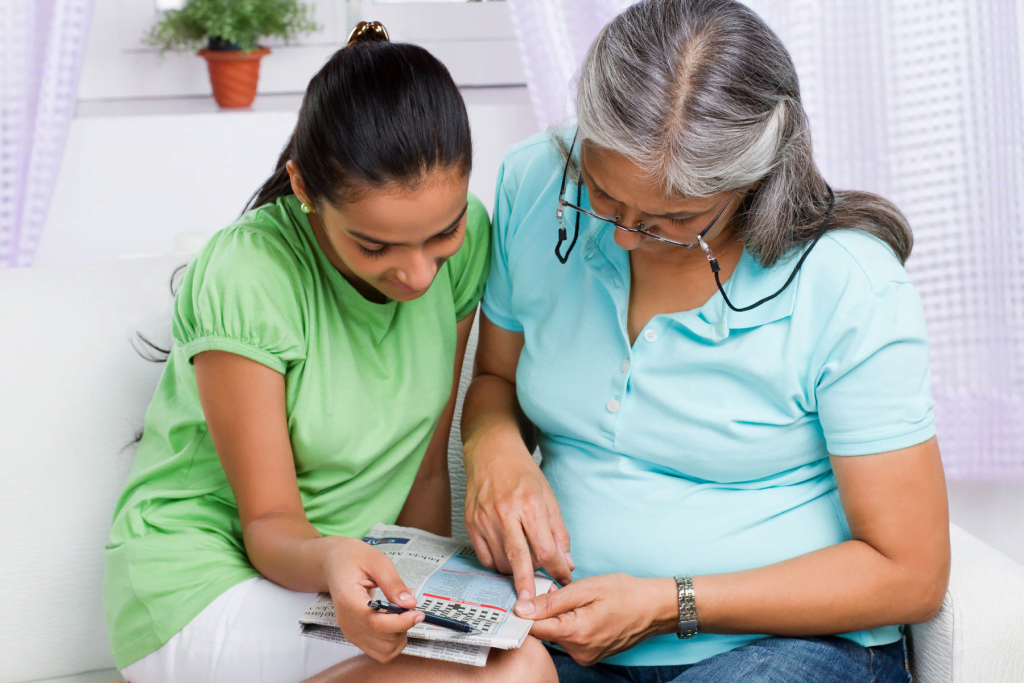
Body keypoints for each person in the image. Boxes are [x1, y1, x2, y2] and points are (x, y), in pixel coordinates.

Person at [460, 1, 949, 681]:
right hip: (555, 630)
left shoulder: (847, 284)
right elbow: (495, 383)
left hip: (781, 649)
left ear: (752, 182)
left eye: (674, 218)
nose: (625, 235)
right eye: (600, 195)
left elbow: (910, 572)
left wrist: (670, 603)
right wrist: (493, 448)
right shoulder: (535, 184)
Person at [103, 22, 555, 683]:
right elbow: (268, 522)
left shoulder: (471, 246)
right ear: (304, 187)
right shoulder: (248, 273)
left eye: (442, 233)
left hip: (339, 578)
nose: (419, 275)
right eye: (376, 246)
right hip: (202, 582)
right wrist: (337, 563)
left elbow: (425, 473)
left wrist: (420, 591)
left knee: (518, 657)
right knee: (509, 673)